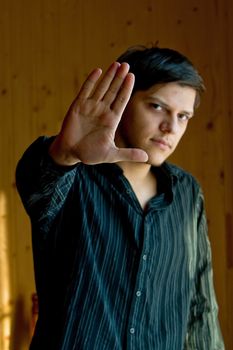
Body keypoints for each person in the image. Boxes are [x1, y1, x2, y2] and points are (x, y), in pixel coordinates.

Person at [16, 45, 225, 349]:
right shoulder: (73, 174)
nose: (171, 127)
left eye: (183, 116)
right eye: (156, 107)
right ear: (122, 102)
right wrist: (64, 152)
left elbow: (200, 305)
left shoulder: (187, 193)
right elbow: (36, 182)